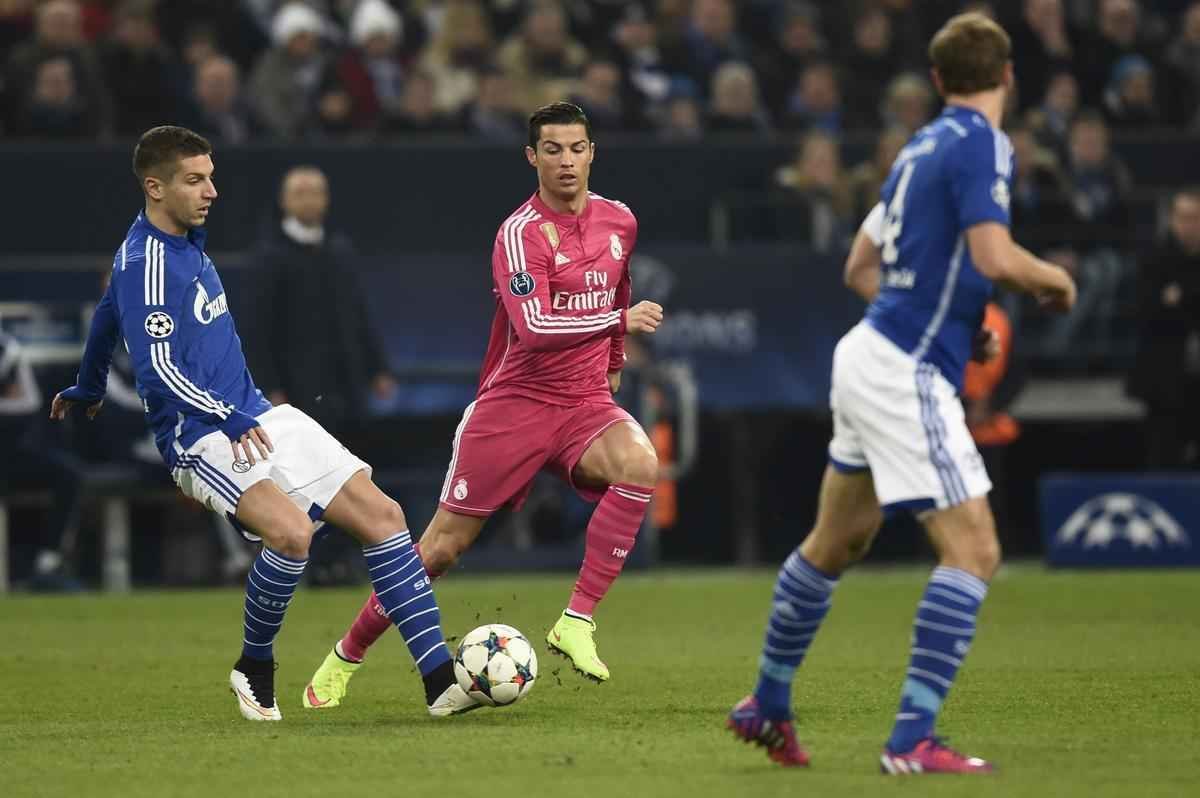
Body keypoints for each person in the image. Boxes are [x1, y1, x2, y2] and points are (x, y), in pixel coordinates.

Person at [725, 13, 1076, 774]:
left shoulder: (916, 151)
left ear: (941, 80)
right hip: (904, 369)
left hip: (866, 354)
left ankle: (767, 703)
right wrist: (1054, 279)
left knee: (837, 542)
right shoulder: (984, 143)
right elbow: (994, 255)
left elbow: (860, 266)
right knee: (975, 550)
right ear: (1007, 76)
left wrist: (956, 323)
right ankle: (912, 738)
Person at [49, 126, 480, 722]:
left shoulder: (178, 241)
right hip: (199, 436)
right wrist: (221, 414)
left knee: (384, 517)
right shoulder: (147, 263)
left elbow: (105, 314)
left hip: (255, 413)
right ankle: (254, 666)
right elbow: (159, 368)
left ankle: (440, 682)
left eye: (211, 177)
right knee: (292, 535)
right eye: (195, 180)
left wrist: (90, 381)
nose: (212, 191)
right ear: (155, 187)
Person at [302, 102, 664, 708]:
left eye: (577, 149)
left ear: (592, 153)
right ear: (532, 157)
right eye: (553, 150)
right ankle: (346, 655)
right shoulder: (519, 234)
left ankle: (577, 620)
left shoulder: (619, 220)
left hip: (583, 402)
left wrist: (614, 358)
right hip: (514, 406)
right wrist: (617, 324)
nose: (566, 161)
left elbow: (617, 285)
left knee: (641, 464)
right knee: (439, 550)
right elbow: (536, 329)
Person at [1126, 188, 1200, 468]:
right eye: (1183, 217)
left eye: (1195, 218)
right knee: (1163, 454)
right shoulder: (1154, 259)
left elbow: (1174, 302)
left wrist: (1181, 296)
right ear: (1171, 220)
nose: (1189, 225)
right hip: (1164, 381)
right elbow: (1147, 311)